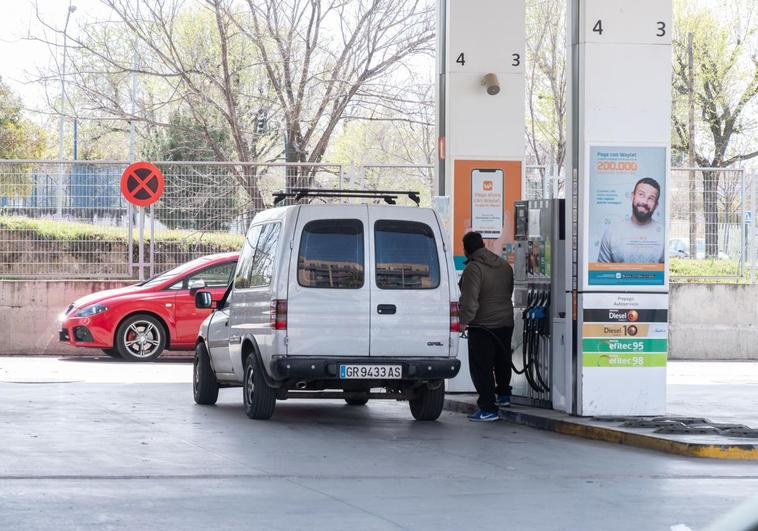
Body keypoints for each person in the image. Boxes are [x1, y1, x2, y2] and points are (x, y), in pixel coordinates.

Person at [458, 231, 514, 422]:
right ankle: (504, 395)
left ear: (466, 250)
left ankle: (488, 408)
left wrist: (464, 321)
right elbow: (509, 291)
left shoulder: (474, 269)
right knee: (502, 360)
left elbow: (470, 300)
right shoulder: (504, 265)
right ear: (482, 244)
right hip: (506, 321)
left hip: (483, 325)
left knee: (482, 367)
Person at [597, 177, 665, 263]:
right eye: (641, 194)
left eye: (651, 198)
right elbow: (602, 272)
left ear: (656, 205)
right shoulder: (612, 232)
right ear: (632, 196)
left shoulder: (663, 234)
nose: (644, 202)